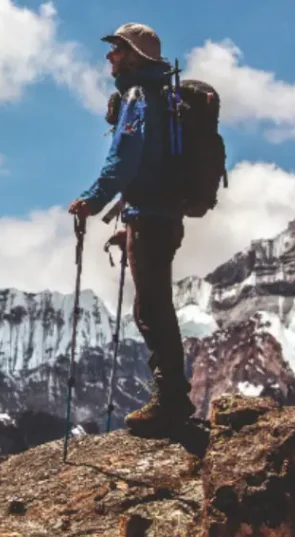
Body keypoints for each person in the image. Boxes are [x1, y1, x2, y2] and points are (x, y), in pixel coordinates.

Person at [68, 23, 195, 437]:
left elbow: (123, 160)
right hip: (158, 215)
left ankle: (171, 400)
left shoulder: (139, 98)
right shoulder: (158, 96)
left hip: (151, 217)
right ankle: (171, 396)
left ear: (135, 56)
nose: (110, 57)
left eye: (117, 50)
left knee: (151, 309)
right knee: (153, 304)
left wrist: (92, 200)